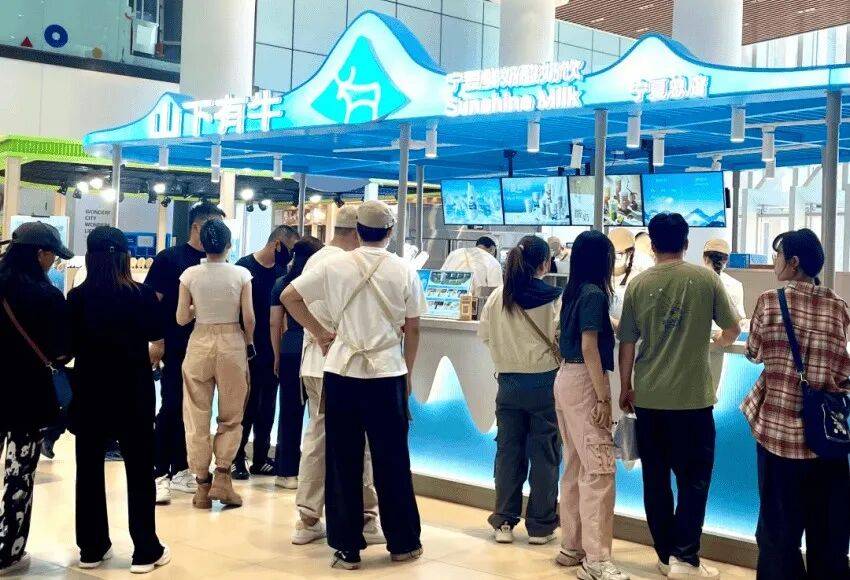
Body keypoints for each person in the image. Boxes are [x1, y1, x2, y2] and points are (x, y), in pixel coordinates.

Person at [282, 200, 426, 570]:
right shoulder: (403, 270)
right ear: (390, 232)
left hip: (341, 371)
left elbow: (289, 297)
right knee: (392, 460)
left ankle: (346, 548)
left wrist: (320, 333)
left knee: (341, 460)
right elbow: (413, 328)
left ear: (357, 231)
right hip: (387, 373)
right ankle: (403, 543)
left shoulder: (334, 265)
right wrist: (407, 373)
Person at [618, 213, 740, 579]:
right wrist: (718, 342)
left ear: (652, 245)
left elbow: (627, 342)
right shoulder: (706, 279)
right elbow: (733, 328)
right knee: (694, 481)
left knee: (655, 481)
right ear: (686, 244)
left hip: (649, 398)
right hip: (693, 400)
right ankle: (685, 558)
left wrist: (625, 386)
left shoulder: (638, 284)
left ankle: (664, 554)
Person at [742, 229, 850, 580]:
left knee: (778, 538)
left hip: (779, 438)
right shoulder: (838, 306)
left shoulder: (769, 301)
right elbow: (842, 370)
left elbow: (753, 352)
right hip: (827, 443)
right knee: (828, 539)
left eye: (778, 255)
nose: (775, 261)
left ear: (793, 262)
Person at [68, 226, 170, 574]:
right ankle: (145, 550)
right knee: (139, 470)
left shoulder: (77, 298)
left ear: (90, 257)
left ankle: (92, 548)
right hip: (133, 391)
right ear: (126, 257)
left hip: (89, 391)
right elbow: (158, 342)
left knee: (88, 470)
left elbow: (68, 346)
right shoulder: (142, 295)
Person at [288, 206, 385, 546]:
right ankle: (365, 517)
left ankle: (308, 517)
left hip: (314, 365)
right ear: (358, 232)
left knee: (317, 438)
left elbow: (290, 298)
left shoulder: (317, 259)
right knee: (359, 442)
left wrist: (315, 333)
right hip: (342, 366)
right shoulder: (344, 264)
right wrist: (323, 334)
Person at [478, 235, 562, 546]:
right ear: (545, 264)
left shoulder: (498, 296)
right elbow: (561, 337)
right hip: (545, 384)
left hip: (508, 384)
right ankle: (540, 526)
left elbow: (485, 336)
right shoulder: (554, 298)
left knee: (508, 453)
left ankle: (503, 521)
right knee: (545, 454)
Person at [556, 230, 629, 580]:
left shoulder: (574, 292)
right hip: (585, 382)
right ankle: (597, 560)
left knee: (574, 464)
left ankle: (572, 546)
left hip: (565, 379)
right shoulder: (595, 295)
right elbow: (589, 347)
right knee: (599, 470)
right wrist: (603, 397)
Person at [0, 222, 71, 576]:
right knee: (19, 475)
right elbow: (62, 350)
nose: (52, 263)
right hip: (27, 398)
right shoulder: (47, 297)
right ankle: (8, 551)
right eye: (52, 256)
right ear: (39, 254)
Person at [147, 202, 226, 504]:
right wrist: (157, 340)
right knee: (171, 406)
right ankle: (158, 472)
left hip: (206, 347)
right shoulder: (170, 258)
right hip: (176, 344)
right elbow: (152, 301)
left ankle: (182, 468)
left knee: (194, 412)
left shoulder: (217, 263)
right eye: (213, 226)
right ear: (197, 227)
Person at [178, 220, 254, 509]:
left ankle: (201, 487)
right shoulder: (241, 274)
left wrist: (197, 309)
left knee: (196, 415)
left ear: (203, 244)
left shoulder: (189, 275)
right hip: (232, 341)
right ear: (229, 245)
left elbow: (181, 318)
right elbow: (249, 318)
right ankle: (223, 476)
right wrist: (249, 342)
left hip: (199, 342)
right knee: (232, 414)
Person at [231, 225, 300, 480]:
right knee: (246, 406)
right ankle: (236, 457)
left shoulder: (283, 273)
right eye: (289, 249)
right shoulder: (244, 268)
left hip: (274, 349)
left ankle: (260, 457)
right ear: (276, 244)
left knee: (267, 406)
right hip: (248, 347)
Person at [269, 236, 322, 489]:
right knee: (318, 416)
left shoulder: (282, 283)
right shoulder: (319, 282)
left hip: (290, 346)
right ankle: (315, 473)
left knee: (289, 410)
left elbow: (274, 323)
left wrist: (276, 355)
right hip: (316, 347)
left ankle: (286, 471)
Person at [702, 239, 746, 320]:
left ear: (704, 258)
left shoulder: (690, 280)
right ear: (726, 260)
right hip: (725, 328)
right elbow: (740, 318)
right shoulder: (735, 285)